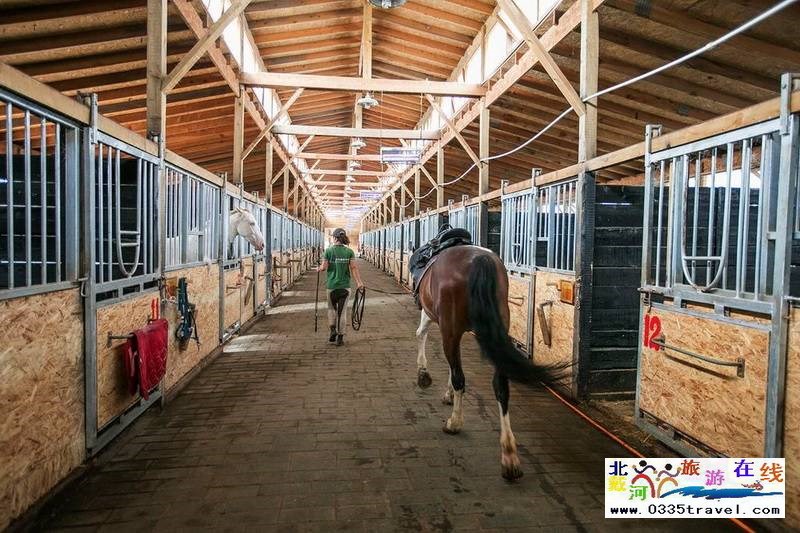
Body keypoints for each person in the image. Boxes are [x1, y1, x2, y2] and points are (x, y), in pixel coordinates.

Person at [317, 228, 365, 346]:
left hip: (332, 286)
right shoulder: (349, 252)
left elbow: (324, 267)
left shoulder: (328, 251)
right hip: (345, 287)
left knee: (331, 309)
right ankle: (340, 338)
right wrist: (359, 282)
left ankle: (333, 330)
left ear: (334, 238)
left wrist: (318, 268)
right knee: (342, 313)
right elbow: (353, 268)